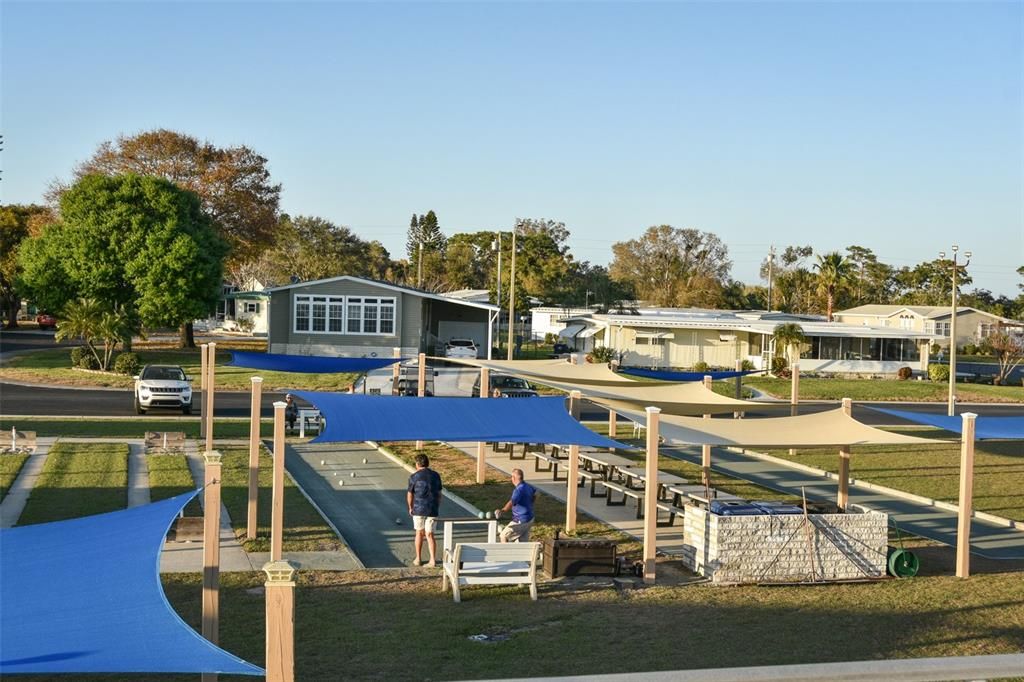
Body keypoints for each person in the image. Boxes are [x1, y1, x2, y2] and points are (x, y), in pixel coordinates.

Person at [406, 454, 443, 567]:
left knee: (419, 533)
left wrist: (411, 507)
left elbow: (410, 494)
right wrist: (437, 505)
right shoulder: (436, 475)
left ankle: (418, 558)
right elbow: (439, 494)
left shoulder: (414, 477)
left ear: (417, 464)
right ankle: (432, 560)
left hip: (418, 508)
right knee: (430, 534)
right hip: (432, 508)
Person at [495, 468, 537, 543]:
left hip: (521, 520)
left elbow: (512, 502)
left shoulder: (518, 490)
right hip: (530, 519)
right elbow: (536, 493)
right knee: (522, 542)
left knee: (503, 536)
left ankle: (506, 554)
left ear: (513, 478)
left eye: (511, 477)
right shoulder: (528, 486)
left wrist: (502, 510)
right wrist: (530, 503)